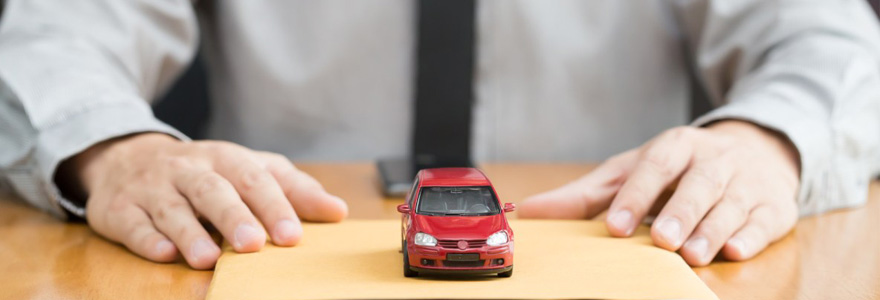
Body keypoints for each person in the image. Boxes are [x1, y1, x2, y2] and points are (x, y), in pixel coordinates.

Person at [1, 0, 879, 270]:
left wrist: (768, 140)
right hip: (256, 249)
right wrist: (118, 152)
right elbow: (55, 33)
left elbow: (830, 41)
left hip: (626, 250)